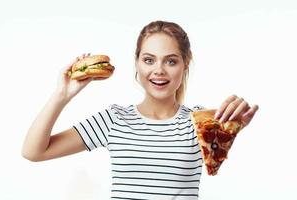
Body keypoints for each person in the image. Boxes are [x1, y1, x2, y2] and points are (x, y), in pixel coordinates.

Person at [22, 20, 259, 199]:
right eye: (149, 60)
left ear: (185, 65)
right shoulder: (114, 120)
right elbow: (33, 152)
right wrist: (61, 95)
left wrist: (235, 120)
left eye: (171, 61)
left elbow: (224, 136)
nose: (159, 70)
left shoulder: (200, 122)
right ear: (136, 63)